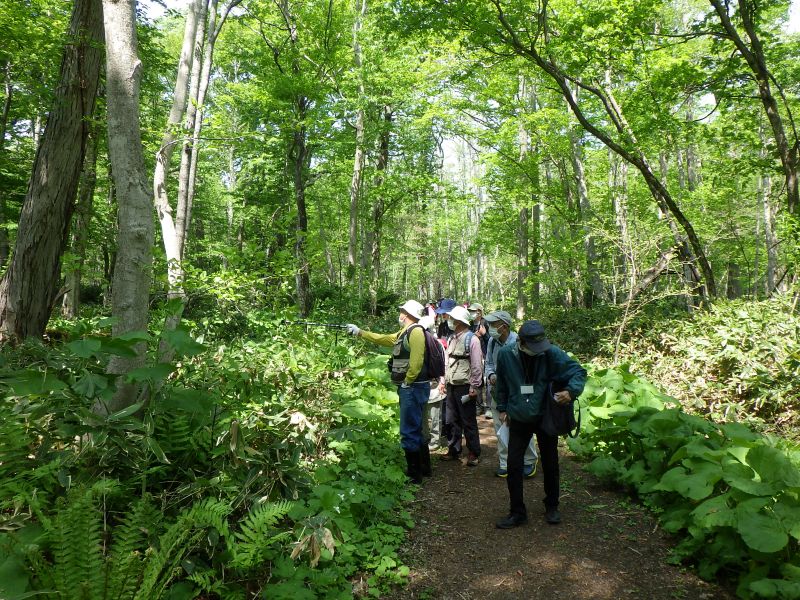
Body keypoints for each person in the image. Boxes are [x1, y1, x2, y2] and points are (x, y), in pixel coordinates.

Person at [494, 320, 586, 528]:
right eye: (533, 346)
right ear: (521, 342)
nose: (538, 350)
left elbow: (578, 372)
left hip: (546, 415)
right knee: (513, 464)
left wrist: (571, 391)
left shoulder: (550, 352)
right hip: (519, 416)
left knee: (550, 463)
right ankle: (517, 512)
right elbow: (502, 383)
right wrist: (502, 408)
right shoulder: (506, 355)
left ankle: (552, 506)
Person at [346, 300, 432, 484]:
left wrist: (408, 381)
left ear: (407, 314)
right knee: (416, 427)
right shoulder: (405, 332)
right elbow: (384, 339)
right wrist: (360, 332)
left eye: (402, 311)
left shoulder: (415, 332)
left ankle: (414, 474)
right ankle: (424, 468)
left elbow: (417, 361)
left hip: (413, 387)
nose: (400, 314)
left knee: (409, 430)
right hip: (414, 387)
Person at [483, 310, 538, 479]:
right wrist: (491, 375)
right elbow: (488, 363)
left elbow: (526, 370)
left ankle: (529, 461)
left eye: (493, 324)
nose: (490, 327)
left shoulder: (518, 342)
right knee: (500, 428)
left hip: (517, 394)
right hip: (497, 392)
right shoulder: (492, 341)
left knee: (522, 428)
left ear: (504, 326)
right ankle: (505, 463)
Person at [438, 305, 483, 466]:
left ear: (460, 321)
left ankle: (473, 452)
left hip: (465, 386)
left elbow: (477, 365)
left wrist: (474, 386)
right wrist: (443, 380)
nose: (450, 321)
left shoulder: (473, 340)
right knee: (451, 420)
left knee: (468, 421)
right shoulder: (451, 338)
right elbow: (446, 361)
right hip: (451, 385)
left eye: (453, 319)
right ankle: (454, 449)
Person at [468, 302, 489, 414]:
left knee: (486, 382)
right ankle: (478, 405)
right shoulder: (470, 324)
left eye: (473, 311)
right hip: (473, 355)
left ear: (479, 312)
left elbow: (490, 340)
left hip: (484, 355)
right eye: (470, 311)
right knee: (476, 380)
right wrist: (474, 336)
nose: (471, 313)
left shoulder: (485, 323)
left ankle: (488, 407)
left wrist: (484, 334)